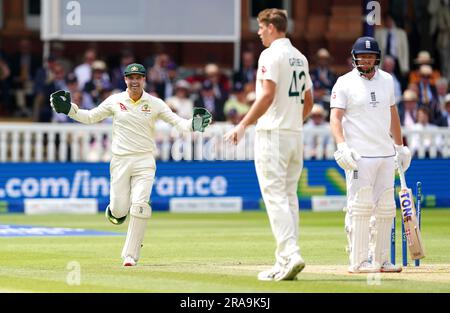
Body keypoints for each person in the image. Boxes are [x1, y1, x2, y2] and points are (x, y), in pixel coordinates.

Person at [49, 63, 212, 266]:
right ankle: (115, 212)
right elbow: (91, 116)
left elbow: (178, 122)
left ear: (144, 79)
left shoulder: (155, 103)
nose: (134, 81)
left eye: (139, 77)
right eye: (130, 77)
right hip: (120, 161)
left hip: (145, 160)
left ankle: (130, 255)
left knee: (140, 206)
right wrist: (69, 110)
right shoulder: (115, 100)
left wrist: (194, 124)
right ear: (125, 79)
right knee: (119, 211)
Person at [224, 8, 313, 281]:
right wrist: (293, 122)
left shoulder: (270, 54)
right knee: (288, 198)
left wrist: (242, 125)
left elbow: (267, 95)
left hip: (273, 134)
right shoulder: (300, 57)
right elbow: (308, 102)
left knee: (275, 197)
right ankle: (284, 260)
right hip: (293, 135)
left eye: (261, 28)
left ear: (272, 27)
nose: (259, 32)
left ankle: (291, 253)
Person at [330, 37, 412, 274]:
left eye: (371, 55)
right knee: (361, 207)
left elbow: (393, 114)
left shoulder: (387, 80)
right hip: (359, 156)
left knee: (386, 207)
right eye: (362, 55)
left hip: (385, 154)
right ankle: (359, 260)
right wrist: (342, 146)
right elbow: (335, 118)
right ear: (354, 57)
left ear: (377, 57)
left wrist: (400, 146)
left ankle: (382, 259)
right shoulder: (344, 83)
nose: (366, 59)